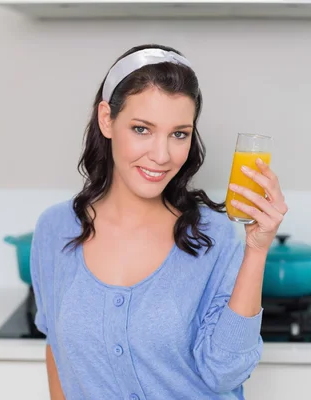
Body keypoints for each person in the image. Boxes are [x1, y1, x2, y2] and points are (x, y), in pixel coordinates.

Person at [30, 44, 288, 400]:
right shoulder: (55, 230)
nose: (162, 155)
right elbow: (56, 348)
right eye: (141, 129)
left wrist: (256, 251)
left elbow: (225, 371)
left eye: (179, 133)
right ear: (107, 119)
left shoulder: (214, 236)